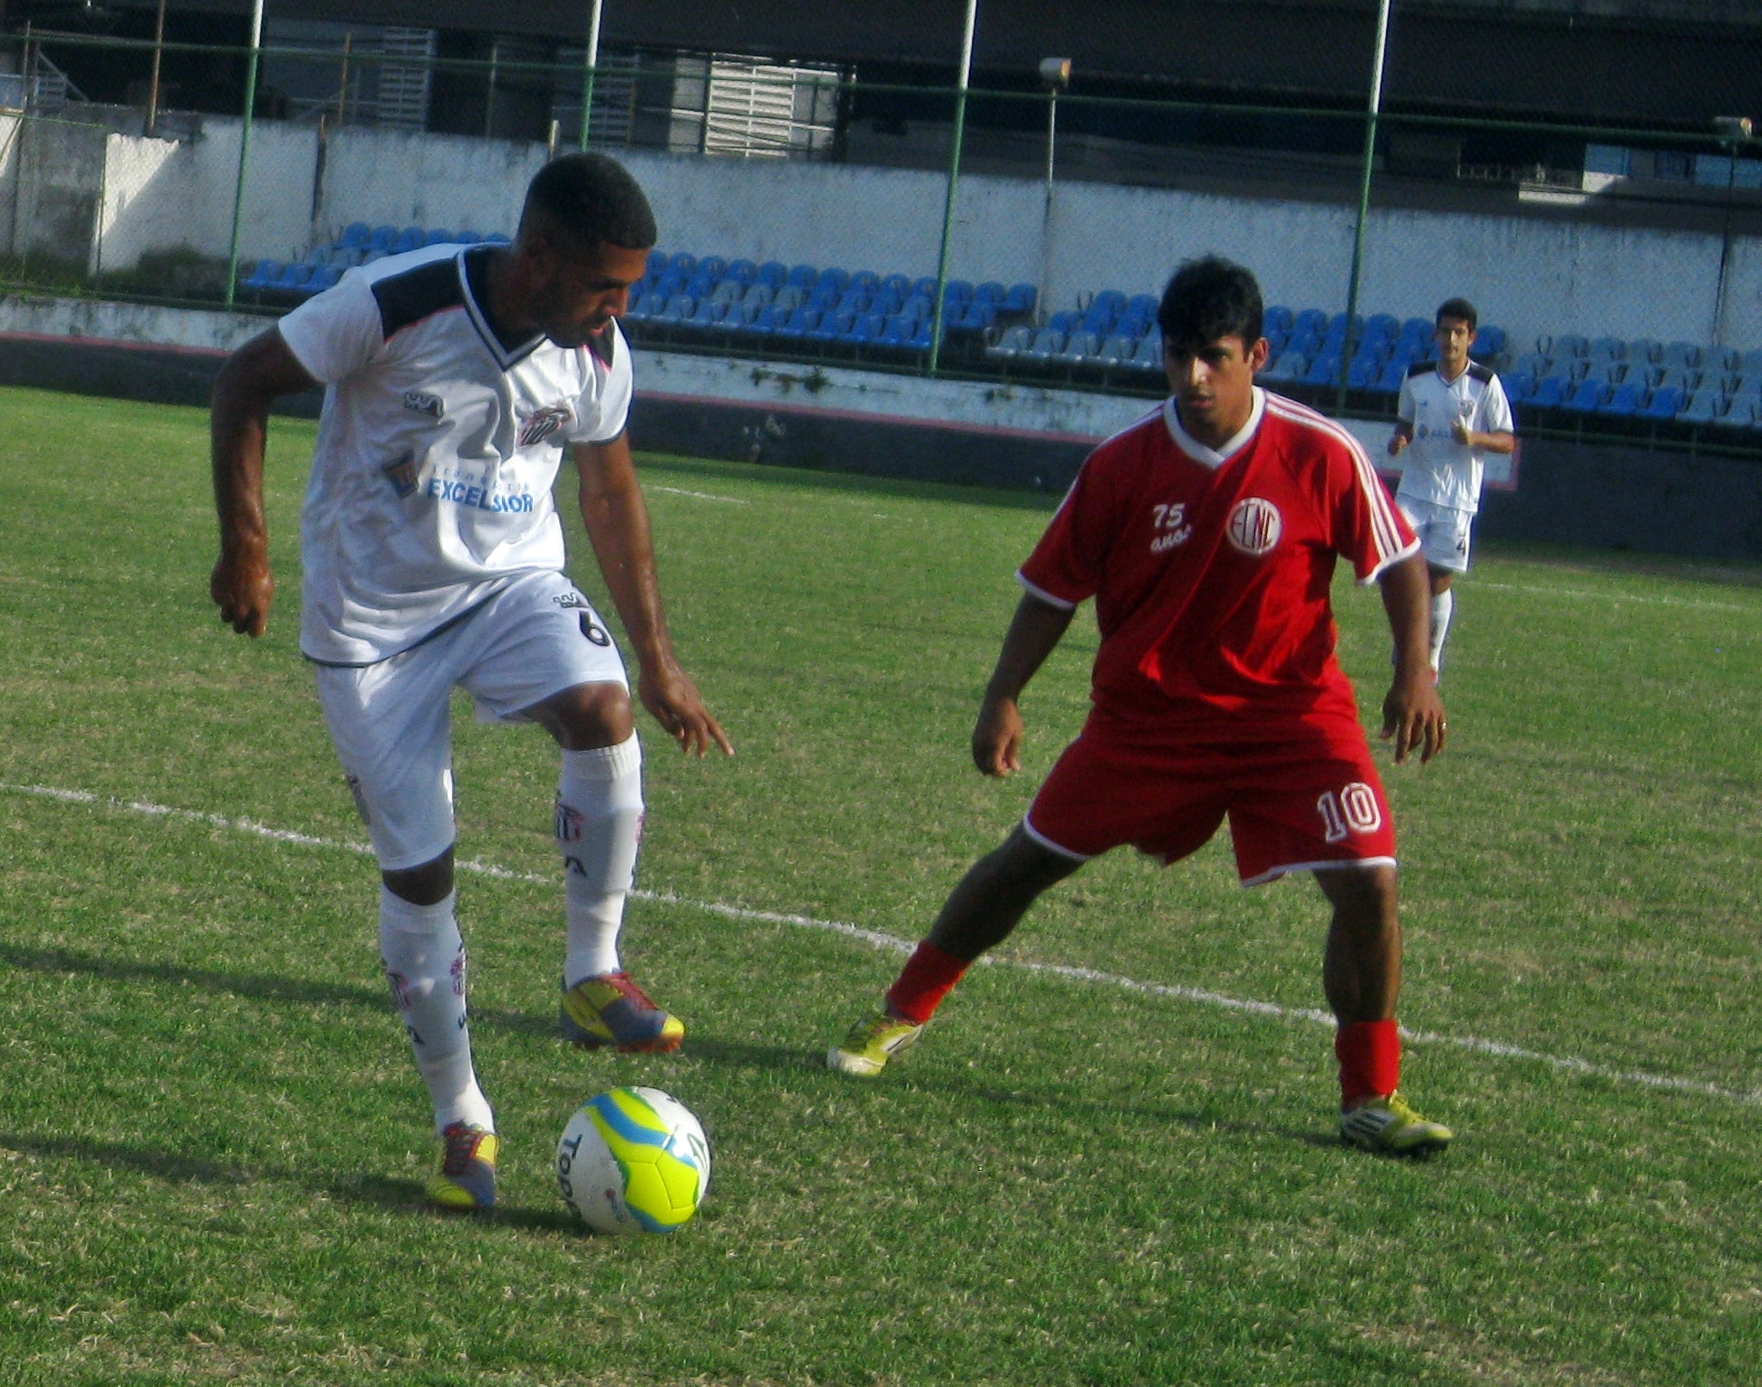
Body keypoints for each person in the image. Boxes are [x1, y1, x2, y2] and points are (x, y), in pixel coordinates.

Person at [826, 256, 1457, 1156]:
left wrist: (1416, 672)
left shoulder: (1320, 452)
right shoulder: (1121, 466)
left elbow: (1399, 562)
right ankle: (898, 1011)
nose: (1193, 377)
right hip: (1147, 723)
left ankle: (1370, 1094)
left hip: (1292, 718)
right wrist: (1004, 694)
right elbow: (1052, 589)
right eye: (1177, 357)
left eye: (1215, 357)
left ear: (1257, 355)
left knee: (1371, 881)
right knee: (1024, 865)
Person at [209, 153, 732, 1211]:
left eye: (631, 289)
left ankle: (593, 968)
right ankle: (463, 1117)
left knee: (603, 707)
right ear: (539, 257)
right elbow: (245, 379)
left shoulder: (596, 351)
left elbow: (611, 490)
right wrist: (247, 547)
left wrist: (660, 659)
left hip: (509, 588)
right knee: (421, 878)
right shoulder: (396, 302)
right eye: (605, 286)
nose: (620, 309)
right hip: (373, 633)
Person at [1386, 297, 1514, 677]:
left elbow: (1507, 440)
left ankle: (1431, 659)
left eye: (1459, 332)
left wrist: (1474, 438)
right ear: (1435, 334)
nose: (1451, 340)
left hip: (1456, 498)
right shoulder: (1416, 377)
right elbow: (1404, 424)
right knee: (1401, 567)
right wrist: (1399, 441)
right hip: (1414, 490)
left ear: (1471, 337)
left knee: (1439, 578)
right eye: (1446, 331)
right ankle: (1406, 643)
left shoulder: (1485, 384)